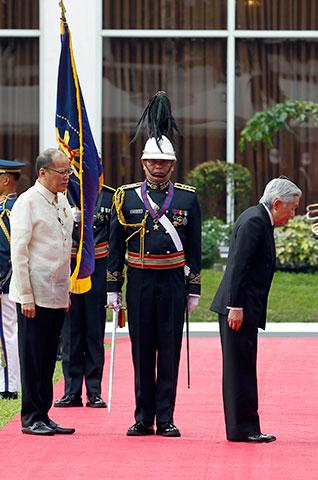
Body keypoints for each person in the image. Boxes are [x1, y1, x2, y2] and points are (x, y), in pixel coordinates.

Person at [107, 92, 202, 437]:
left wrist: (193, 287)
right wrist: (112, 288)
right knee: (142, 350)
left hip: (173, 282)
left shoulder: (188, 197)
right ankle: (142, 417)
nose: (158, 168)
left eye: (164, 163)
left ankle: (167, 418)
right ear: (143, 163)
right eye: (153, 163)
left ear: (173, 165)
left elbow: (195, 246)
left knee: (170, 349)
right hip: (141, 281)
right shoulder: (126, 196)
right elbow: (116, 244)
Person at [211, 177, 301, 443]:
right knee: (239, 368)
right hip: (238, 307)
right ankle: (242, 428)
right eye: (292, 207)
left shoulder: (259, 218)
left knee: (244, 366)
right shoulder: (255, 221)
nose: (293, 214)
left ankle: (247, 426)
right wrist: (235, 306)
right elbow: (239, 266)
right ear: (277, 203)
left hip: (244, 306)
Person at [9, 148, 75, 435]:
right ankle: (31, 416)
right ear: (43, 172)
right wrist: (26, 296)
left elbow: (64, 249)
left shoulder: (61, 201)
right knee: (33, 357)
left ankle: (44, 414)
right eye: (63, 172)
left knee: (49, 358)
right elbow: (19, 252)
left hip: (56, 293)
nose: (67, 177)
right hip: (33, 295)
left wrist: (67, 292)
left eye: (69, 172)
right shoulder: (27, 202)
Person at [55, 186, 114, 408]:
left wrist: (113, 283)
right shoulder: (61, 196)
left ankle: (94, 391)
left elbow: (114, 238)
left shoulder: (109, 196)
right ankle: (71, 391)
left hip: (97, 270)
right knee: (70, 332)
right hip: (69, 269)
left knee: (94, 332)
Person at [0, 159, 26, 400]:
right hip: (9, 279)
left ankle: (9, 385)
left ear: (5, 180)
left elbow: (6, 249)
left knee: (7, 332)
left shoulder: (9, 208)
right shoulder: (13, 206)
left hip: (5, 280)